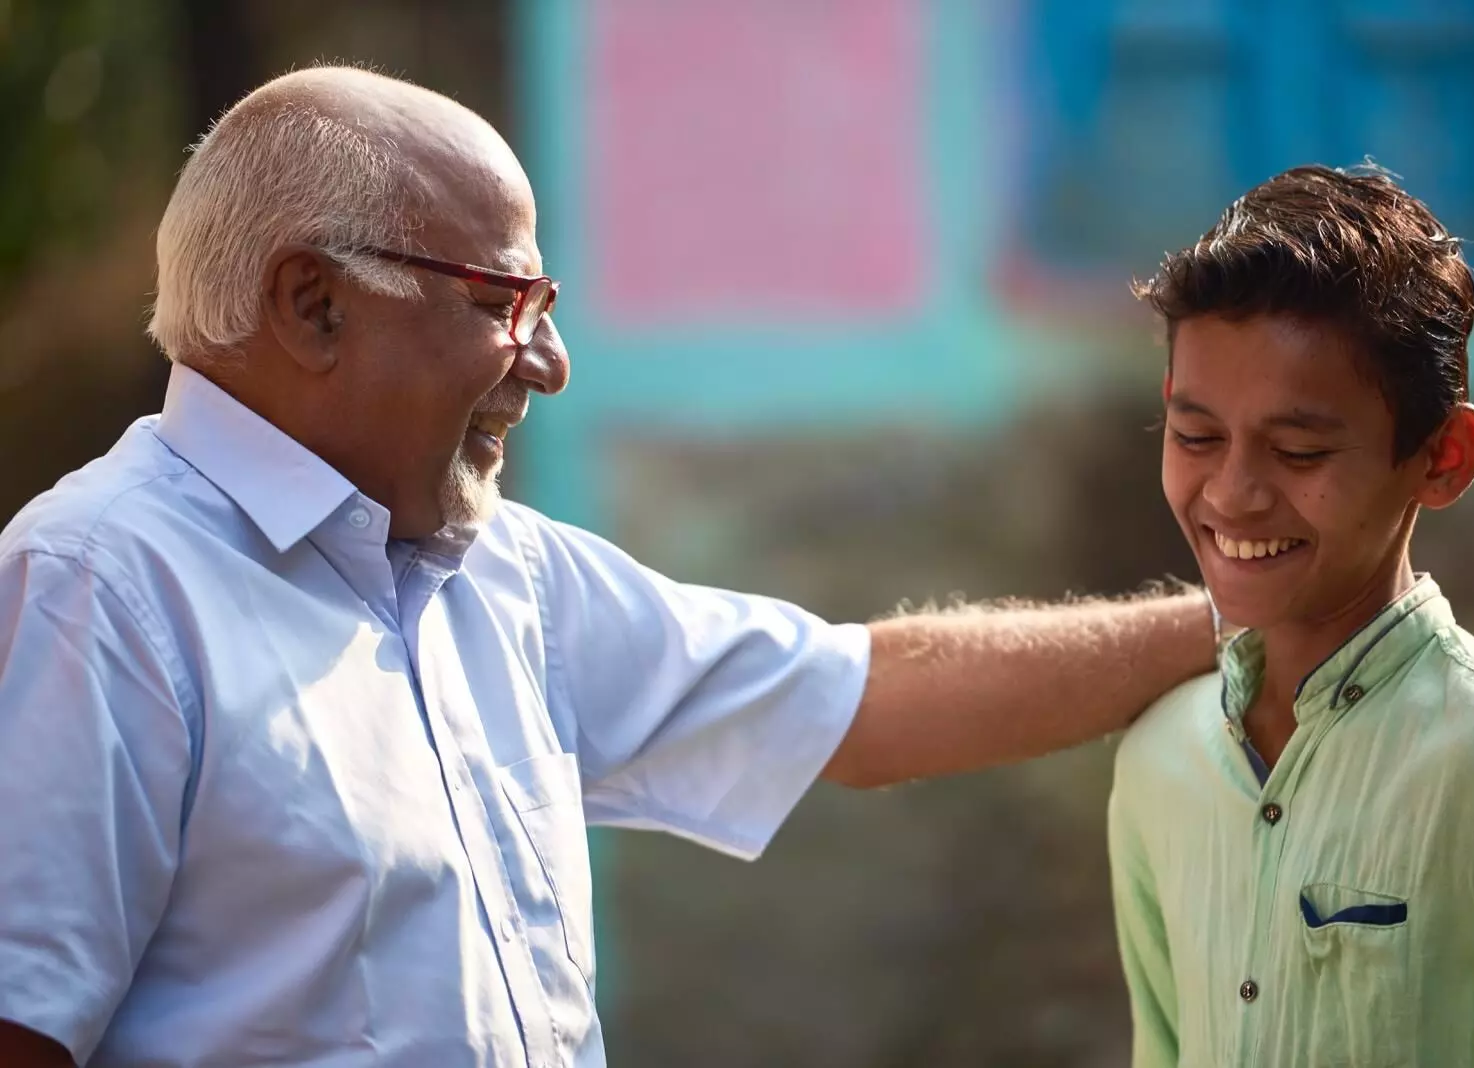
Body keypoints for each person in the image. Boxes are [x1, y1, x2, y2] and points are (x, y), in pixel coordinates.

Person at [0, 67, 1215, 1068]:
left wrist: (1254, 620)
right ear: (314, 305)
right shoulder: (98, 588)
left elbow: (862, 702)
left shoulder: (497, 575)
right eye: (505, 300)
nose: (549, 363)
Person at [1107, 162, 1474, 1068]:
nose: (1234, 493)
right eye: (1196, 436)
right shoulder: (1156, 763)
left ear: (1442, 457)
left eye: (1299, 449)